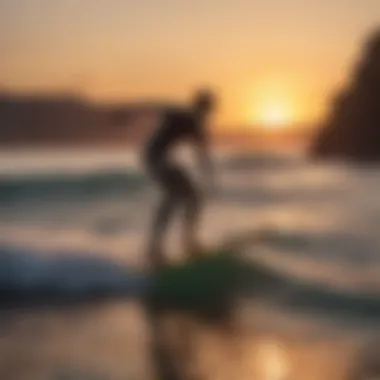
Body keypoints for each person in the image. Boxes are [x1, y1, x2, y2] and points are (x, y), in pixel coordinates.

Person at [143, 89, 216, 269]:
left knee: (192, 197)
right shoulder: (183, 116)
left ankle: (185, 243)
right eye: (204, 108)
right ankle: (158, 248)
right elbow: (157, 108)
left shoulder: (197, 126)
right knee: (176, 197)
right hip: (155, 157)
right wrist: (127, 115)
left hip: (162, 159)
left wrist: (209, 174)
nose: (206, 113)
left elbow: (202, 153)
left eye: (208, 110)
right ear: (198, 106)